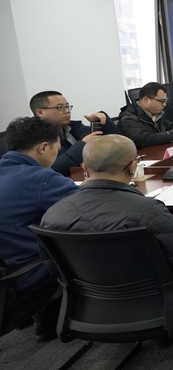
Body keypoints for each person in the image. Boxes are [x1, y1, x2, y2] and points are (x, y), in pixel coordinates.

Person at [41, 135, 173, 278]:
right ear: (133, 167)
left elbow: (52, 267)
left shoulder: (54, 213)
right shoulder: (149, 211)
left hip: (86, 303)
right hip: (157, 300)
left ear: (84, 167)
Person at [0, 117, 78, 340]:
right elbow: (87, 208)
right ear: (43, 147)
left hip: (7, 276)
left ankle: (46, 320)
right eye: (56, 150)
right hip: (24, 278)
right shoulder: (41, 178)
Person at [30, 90, 117, 176]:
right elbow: (52, 169)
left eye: (67, 106)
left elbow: (114, 144)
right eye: (60, 107)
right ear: (40, 112)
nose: (67, 111)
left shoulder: (74, 127)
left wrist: (101, 122)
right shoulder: (34, 137)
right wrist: (82, 144)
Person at [118, 82, 173, 149]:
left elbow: (168, 126)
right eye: (161, 101)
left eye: (165, 101)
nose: (164, 105)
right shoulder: (128, 119)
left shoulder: (154, 112)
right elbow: (145, 139)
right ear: (146, 100)